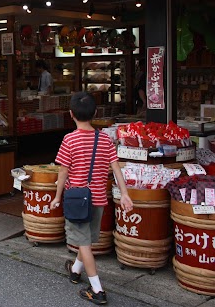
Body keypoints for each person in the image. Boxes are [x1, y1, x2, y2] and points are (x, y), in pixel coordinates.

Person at [49, 92, 133, 305]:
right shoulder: (104, 138)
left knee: (83, 243)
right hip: (97, 199)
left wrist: (57, 196)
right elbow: (116, 168)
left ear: (71, 114)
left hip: (77, 200)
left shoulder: (69, 140)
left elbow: (63, 172)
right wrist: (124, 194)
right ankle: (76, 271)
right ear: (95, 113)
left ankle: (97, 289)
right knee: (86, 240)